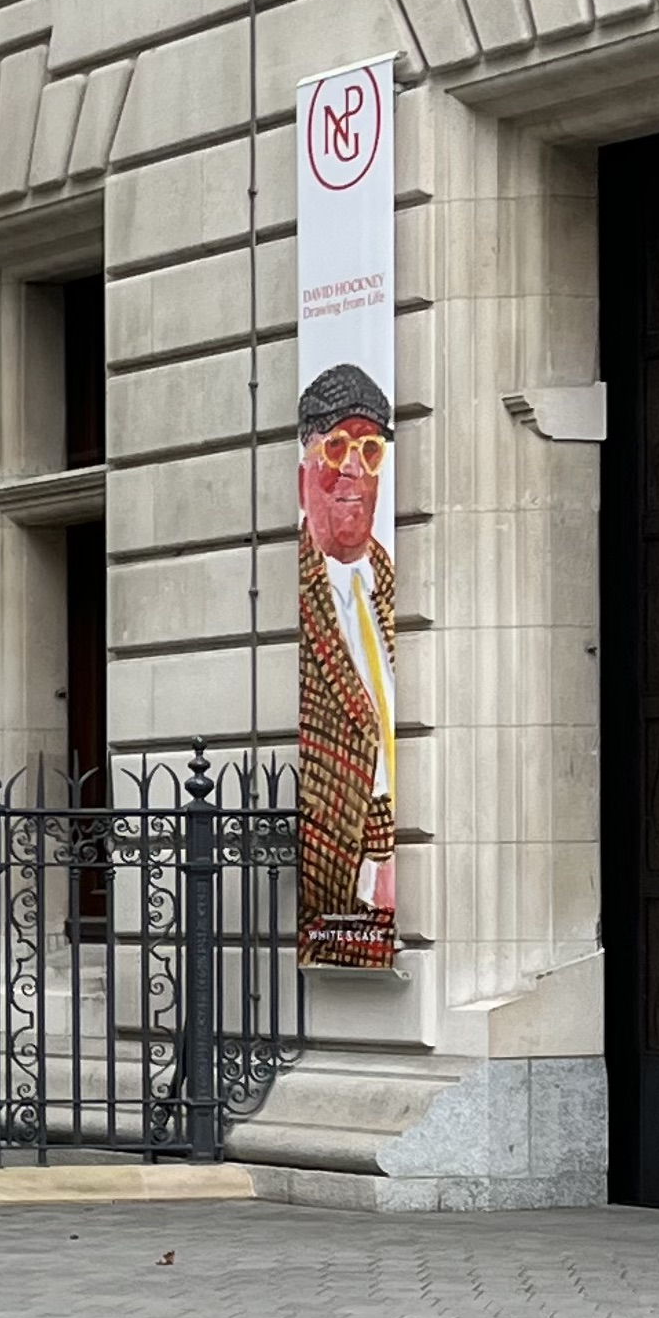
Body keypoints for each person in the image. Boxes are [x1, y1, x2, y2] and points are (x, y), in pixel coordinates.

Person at [296, 362, 399, 970]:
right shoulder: (300, 591)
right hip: (331, 891)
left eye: (369, 449)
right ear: (303, 476)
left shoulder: (391, 581)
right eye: (336, 447)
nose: (354, 469)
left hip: (393, 867)